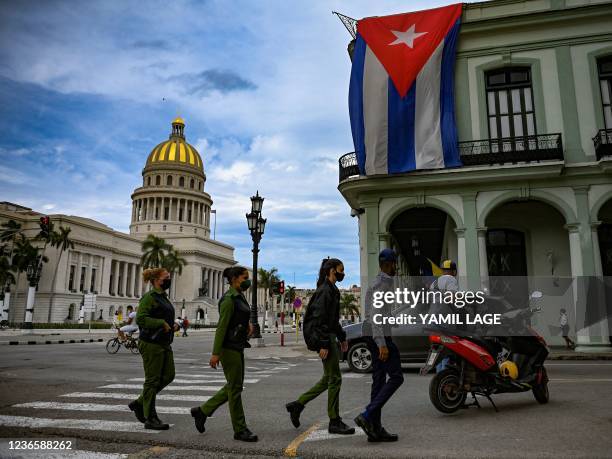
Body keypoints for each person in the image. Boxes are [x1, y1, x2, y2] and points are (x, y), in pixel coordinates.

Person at [286, 258, 355, 435]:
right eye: (341, 270)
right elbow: (319, 320)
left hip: (330, 336)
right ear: (332, 270)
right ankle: (334, 420)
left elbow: (332, 319)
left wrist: (342, 336)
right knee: (335, 379)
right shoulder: (325, 291)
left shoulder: (331, 290)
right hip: (326, 339)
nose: (342, 274)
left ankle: (298, 405)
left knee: (328, 379)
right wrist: (324, 343)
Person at [190, 266, 258, 442]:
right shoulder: (228, 300)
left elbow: (239, 319)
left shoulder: (239, 296)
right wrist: (215, 353)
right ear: (235, 279)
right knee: (235, 389)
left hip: (238, 345)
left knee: (234, 386)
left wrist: (247, 326)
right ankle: (240, 429)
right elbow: (222, 327)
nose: (247, 281)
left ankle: (203, 411)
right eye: (244, 278)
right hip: (229, 348)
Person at [354, 249, 404, 442]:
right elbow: (375, 316)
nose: (396, 267)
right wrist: (381, 343)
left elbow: (380, 312)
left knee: (378, 381)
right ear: (389, 264)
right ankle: (367, 416)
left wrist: (392, 319)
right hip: (377, 335)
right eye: (394, 264)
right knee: (397, 377)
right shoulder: (382, 285)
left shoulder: (384, 283)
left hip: (375, 332)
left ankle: (375, 429)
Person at [129, 268, 179, 430]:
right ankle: (150, 417)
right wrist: (160, 323)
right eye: (167, 277)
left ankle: (139, 402)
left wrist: (172, 325)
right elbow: (141, 319)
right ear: (157, 280)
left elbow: (164, 318)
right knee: (152, 381)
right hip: (151, 343)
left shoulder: (163, 297)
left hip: (164, 343)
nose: (169, 279)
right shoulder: (149, 297)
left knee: (169, 375)